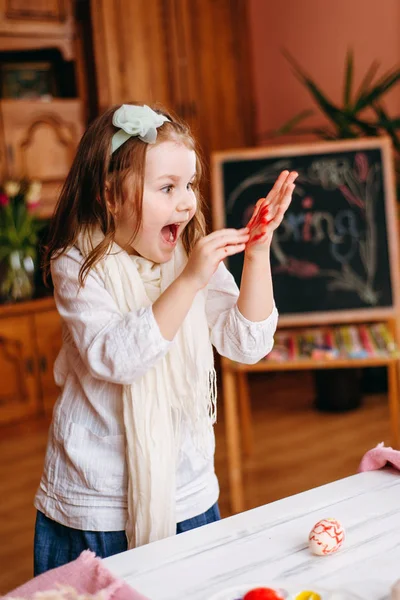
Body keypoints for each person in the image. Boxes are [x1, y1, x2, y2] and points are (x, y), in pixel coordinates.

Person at [34, 102, 298, 574]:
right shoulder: (77, 264)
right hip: (98, 504)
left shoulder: (188, 259)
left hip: (187, 493)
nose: (186, 202)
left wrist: (257, 254)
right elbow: (115, 357)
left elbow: (247, 343)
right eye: (167, 187)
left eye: (190, 185)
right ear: (110, 196)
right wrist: (190, 282)